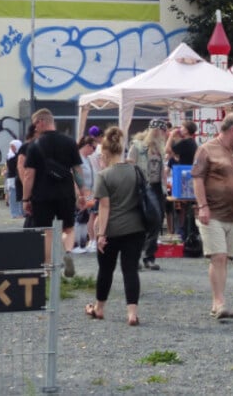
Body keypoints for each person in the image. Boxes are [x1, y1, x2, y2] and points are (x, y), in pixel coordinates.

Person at [191, 112, 233, 319]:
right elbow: (197, 179)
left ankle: (216, 303)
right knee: (217, 256)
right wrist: (203, 206)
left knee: (224, 258)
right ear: (232, 130)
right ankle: (219, 303)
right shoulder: (206, 149)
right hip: (212, 212)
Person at [87, 126, 148, 326]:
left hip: (111, 230)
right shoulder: (135, 171)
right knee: (130, 270)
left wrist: (101, 234)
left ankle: (99, 308)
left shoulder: (104, 175)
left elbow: (104, 207)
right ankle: (132, 313)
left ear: (104, 153)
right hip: (136, 228)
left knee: (105, 270)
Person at [22, 108, 85, 278]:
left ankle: (48, 269)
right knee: (69, 228)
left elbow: (28, 175)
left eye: (35, 124)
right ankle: (68, 252)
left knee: (47, 231)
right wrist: (83, 193)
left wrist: (25, 199)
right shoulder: (70, 142)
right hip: (65, 194)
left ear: (41, 122)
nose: (34, 128)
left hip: (42, 196)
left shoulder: (34, 145)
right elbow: (77, 170)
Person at [130, 119, 168, 271]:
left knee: (156, 222)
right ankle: (135, 257)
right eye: (162, 131)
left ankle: (149, 257)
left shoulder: (160, 148)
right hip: (142, 187)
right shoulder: (137, 146)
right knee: (140, 222)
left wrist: (164, 187)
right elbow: (130, 166)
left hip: (157, 187)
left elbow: (162, 170)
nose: (163, 135)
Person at [165, 120, 198, 236]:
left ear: (187, 130)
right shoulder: (192, 143)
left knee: (183, 206)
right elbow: (178, 156)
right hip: (189, 175)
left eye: (183, 127)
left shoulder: (186, 142)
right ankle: (185, 230)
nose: (180, 129)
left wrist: (171, 136)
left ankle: (182, 231)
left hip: (184, 177)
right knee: (185, 206)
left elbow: (167, 150)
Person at [74, 134, 99, 253]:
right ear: (87, 146)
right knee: (78, 218)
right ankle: (75, 245)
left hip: (89, 192)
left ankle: (83, 243)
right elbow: (75, 177)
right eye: (93, 148)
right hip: (81, 192)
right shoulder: (77, 158)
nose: (94, 150)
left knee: (85, 217)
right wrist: (79, 194)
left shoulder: (87, 158)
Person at [5, 140, 24, 219]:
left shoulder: (19, 155)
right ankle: (15, 213)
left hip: (19, 176)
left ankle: (22, 212)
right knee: (13, 196)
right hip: (12, 177)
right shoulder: (11, 156)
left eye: (13, 146)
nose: (12, 148)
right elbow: (12, 167)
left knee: (21, 195)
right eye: (11, 146)